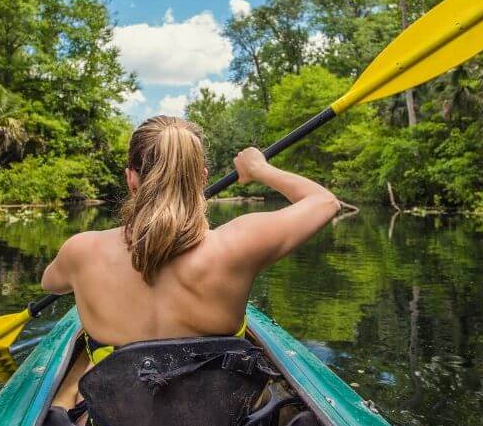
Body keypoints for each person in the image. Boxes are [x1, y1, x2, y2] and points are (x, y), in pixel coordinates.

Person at [41, 115, 340, 372]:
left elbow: (50, 285)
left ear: (131, 179)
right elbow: (325, 202)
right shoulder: (238, 245)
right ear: (202, 179)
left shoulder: (81, 251)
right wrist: (260, 169)